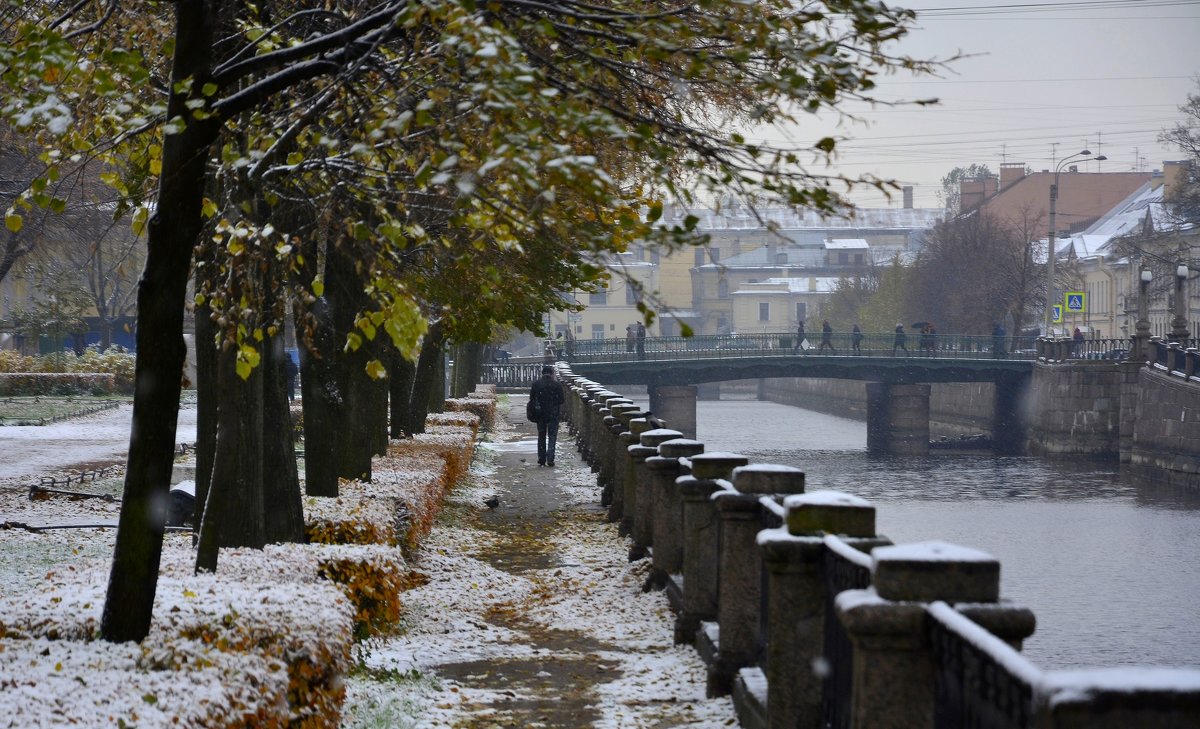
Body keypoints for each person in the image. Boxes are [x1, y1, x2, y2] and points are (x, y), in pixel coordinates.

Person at [530, 365, 565, 467]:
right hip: (553, 414)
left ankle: (541, 459)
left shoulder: (536, 384)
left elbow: (531, 399)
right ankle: (550, 458)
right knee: (552, 436)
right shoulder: (557, 385)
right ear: (552, 374)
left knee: (541, 436)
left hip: (540, 414)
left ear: (542, 373)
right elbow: (561, 400)